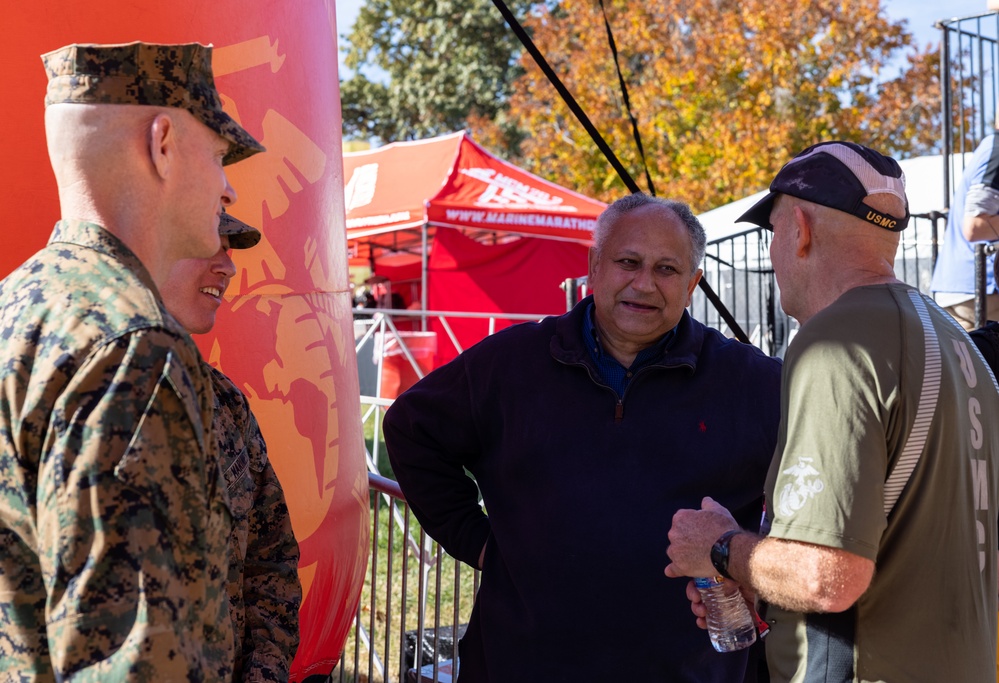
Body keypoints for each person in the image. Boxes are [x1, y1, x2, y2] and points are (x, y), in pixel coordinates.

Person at [383, 193, 782, 682]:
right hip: (521, 663)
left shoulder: (757, 383)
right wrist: (479, 542)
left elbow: (819, 500)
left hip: (689, 669)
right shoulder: (512, 364)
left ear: (693, 283)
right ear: (594, 266)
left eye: (666, 269)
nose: (644, 284)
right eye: (628, 262)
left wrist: (752, 562)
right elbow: (410, 430)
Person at [665, 141, 999, 682]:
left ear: (800, 227)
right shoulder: (950, 337)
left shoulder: (837, 341)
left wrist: (721, 548)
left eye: (772, 232)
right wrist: (765, 581)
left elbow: (829, 578)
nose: (775, 251)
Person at [0, 42, 264, 679]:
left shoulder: (18, 302)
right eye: (220, 156)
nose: (226, 185)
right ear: (163, 142)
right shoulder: (133, 346)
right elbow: (135, 662)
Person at [159, 211, 303, 681]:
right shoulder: (63, 389)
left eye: (230, 249)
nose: (228, 266)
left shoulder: (224, 403)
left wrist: (263, 673)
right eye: (209, 242)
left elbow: (271, 559)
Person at [930, 131, 999, 330]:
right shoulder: (996, 149)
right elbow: (975, 226)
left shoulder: (991, 147)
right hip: (979, 290)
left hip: (968, 290)